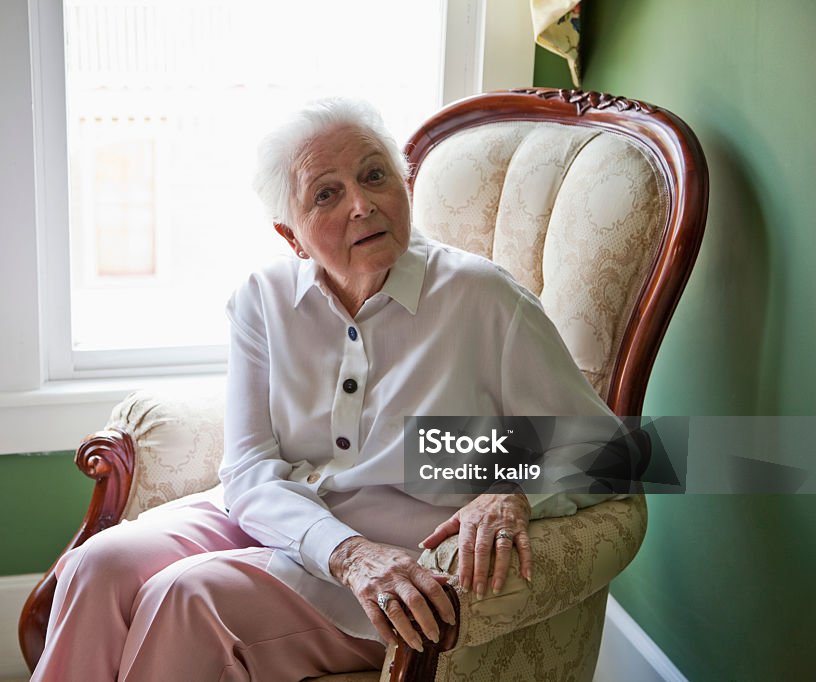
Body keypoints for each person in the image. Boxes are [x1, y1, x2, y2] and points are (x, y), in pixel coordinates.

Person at [31, 98, 625, 681]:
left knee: (186, 597)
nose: (363, 205)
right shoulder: (263, 301)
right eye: (327, 193)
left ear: (404, 187)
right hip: (281, 517)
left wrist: (513, 491)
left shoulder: (482, 298)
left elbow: (617, 452)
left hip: (395, 557)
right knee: (97, 564)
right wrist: (342, 551)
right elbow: (249, 470)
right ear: (291, 236)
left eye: (374, 176)